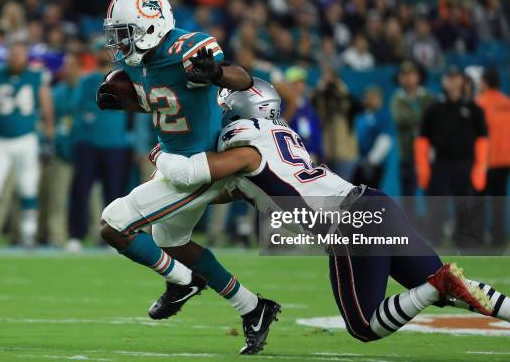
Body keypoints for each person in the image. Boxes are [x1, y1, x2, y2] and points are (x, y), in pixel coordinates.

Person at [151, 79, 509, 343]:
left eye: (227, 107)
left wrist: (160, 153)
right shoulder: (276, 138)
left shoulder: (246, 149)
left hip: (349, 223)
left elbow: (188, 173)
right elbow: (230, 191)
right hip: (373, 204)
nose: (223, 114)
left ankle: (435, 286)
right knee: (446, 289)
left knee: (365, 325)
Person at [98, 0, 280, 355]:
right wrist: (129, 102)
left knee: (113, 225)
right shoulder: (138, 62)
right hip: (173, 158)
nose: (118, 42)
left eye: (124, 32)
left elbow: (243, 78)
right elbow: (168, 103)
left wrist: (217, 73)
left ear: (149, 27)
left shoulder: (187, 49)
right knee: (170, 242)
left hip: (198, 166)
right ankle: (253, 307)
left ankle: (183, 282)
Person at [0, 41, 54, 247]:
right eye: (13, 54)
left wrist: (49, 137)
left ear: (26, 56)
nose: (16, 58)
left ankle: (28, 235)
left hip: (27, 139)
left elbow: (46, 107)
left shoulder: (37, 75)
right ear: (7, 55)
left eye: (20, 54)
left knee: (28, 188)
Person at [66, 39, 133, 252]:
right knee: (80, 191)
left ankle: (112, 238)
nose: (104, 53)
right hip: (90, 144)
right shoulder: (88, 80)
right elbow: (78, 108)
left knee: (114, 194)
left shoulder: (124, 78)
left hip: (115, 144)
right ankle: (76, 235)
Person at [415, 67, 488, 247]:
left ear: (463, 82)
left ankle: (466, 244)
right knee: (436, 206)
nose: (453, 82)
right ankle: (433, 242)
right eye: (450, 78)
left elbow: (482, 141)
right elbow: (422, 141)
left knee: (465, 206)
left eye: (457, 78)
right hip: (441, 164)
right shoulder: (434, 109)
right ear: (444, 82)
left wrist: (480, 167)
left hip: (465, 164)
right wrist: (423, 169)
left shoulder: (474, 109)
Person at [38, 52, 81, 247]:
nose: (68, 70)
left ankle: (96, 235)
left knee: (89, 198)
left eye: (72, 65)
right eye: (66, 66)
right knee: (58, 197)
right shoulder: (57, 92)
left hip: (85, 152)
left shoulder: (88, 88)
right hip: (62, 152)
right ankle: (57, 236)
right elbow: (45, 121)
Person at [391, 61, 435, 220]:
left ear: (418, 76)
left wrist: (419, 120)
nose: (408, 78)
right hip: (408, 152)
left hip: (427, 153)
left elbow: (435, 119)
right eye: (404, 75)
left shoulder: (427, 96)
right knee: (408, 194)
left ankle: (431, 228)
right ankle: (409, 229)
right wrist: (423, 119)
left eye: (411, 74)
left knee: (431, 193)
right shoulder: (398, 98)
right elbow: (400, 119)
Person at [475, 67, 510, 247]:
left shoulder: (479, 103)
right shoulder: (507, 102)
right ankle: (499, 239)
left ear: (485, 82)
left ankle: (479, 238)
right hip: (504, 161)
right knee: (499, 202)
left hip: (486, 161)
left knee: (479, 201)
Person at [311, 67, 361, 180]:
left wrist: (343, 91)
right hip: (325, 152)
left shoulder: (346, 98)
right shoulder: (320, 97)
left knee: (342, 192)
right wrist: (319, 89)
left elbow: (358, 106)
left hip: (345, 153)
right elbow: (312, 107)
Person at [353, 87, 393, 188]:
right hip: (358, 163)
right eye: (368, 97)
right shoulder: (360, 115)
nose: (371, 100)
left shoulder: (384, 116)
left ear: (380, 99)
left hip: (374, 165)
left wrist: (371, 160)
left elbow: (385, 141)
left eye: (374, 98)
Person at [281, 66, 323, 161]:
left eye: (301, 82)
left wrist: (320, 153)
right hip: (288, 155)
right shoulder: (280, 106)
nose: (299, 86)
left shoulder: (308, 106)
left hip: (309, 155)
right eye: (295, 83)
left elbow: (316, 131)